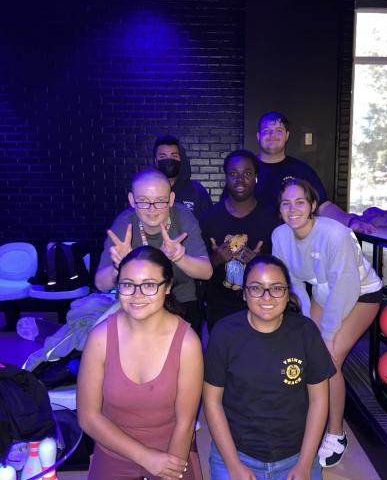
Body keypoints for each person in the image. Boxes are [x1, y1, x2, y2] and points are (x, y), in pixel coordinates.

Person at [78, 246, 209, 480]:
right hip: (115, 450)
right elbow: (88, 416)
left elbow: (185, 423)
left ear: (168, 287)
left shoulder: (187, 342)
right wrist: (146, 458)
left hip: (171, 453)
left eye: (149, 285)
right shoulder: (100, 338)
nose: (137, 294)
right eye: (127, 284)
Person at [203, 254, 336, 480]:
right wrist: (234, 467)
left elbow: (319, 401)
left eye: (276, 288)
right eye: (256, 288)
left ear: (287, 293)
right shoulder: (225, 333)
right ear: (244, 292)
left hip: (295, 457)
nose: (266, 296)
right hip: (239, 456)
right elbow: (211, 403)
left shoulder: (304, 332)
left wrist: (304, 465)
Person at [272, 178, 383, 468]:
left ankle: (336, 433)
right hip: (323, 292)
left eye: (299, 202)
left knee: (329, 359)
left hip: (361, 294)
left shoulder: (336, 235)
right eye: (286, 203)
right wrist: (309, 321)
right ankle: (311, 418)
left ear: (312, 206)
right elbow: (293, 282)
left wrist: (329, 333)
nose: (292, 209)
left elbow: (346, 287)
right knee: (311, 353)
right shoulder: (280, 236)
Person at [255, 111, 387, 231]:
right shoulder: (246, 171)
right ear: (258, 135)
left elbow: (323, 207)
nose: (273, 135)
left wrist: (350, 221)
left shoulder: (301, 170)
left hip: (292, 246)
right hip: (253, 246)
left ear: (287, 136)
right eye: (267, 131)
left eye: (279, 131)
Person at [95, 168, 212, 332]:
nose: (152, 209)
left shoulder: (183, 217)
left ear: (171, 199)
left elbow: (206, 272)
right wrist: (117, 267)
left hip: (180, 298)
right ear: (131, 200)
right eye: (143, 201)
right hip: (138, 300)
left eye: (160, 201)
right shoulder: (124, 223)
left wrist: (180, 258)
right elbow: (100, 283)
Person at [199, 150, 279, 330]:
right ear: (226, 178)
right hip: (219, 310)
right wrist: (216, 260)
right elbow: (196, 269)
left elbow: (284, 270)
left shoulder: (272, 219)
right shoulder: (208, 218)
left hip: (262, 307)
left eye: (247, 174)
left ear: (256, 178)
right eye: (233, 174)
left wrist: (258, 263)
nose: (240, 179)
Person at [153, 135, 212, 220]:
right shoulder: (146, 190)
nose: (169, 161)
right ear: (156, 161)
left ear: (181, 159)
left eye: (174, 156)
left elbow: (209, 225)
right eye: (163, 156)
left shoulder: (197, 191)